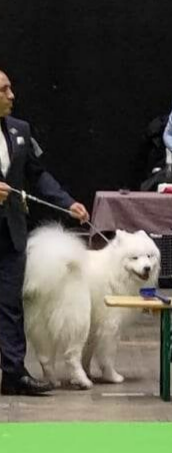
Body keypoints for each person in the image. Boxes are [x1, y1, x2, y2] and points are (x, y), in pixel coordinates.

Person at [0, 70, 89, 396]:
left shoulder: (20, 130)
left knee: (11, 306)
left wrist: (67, 203)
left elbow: (38, 175)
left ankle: (13, 374)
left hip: (11, 233)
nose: (12, 95)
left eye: (10, 88)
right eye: (4, 90)